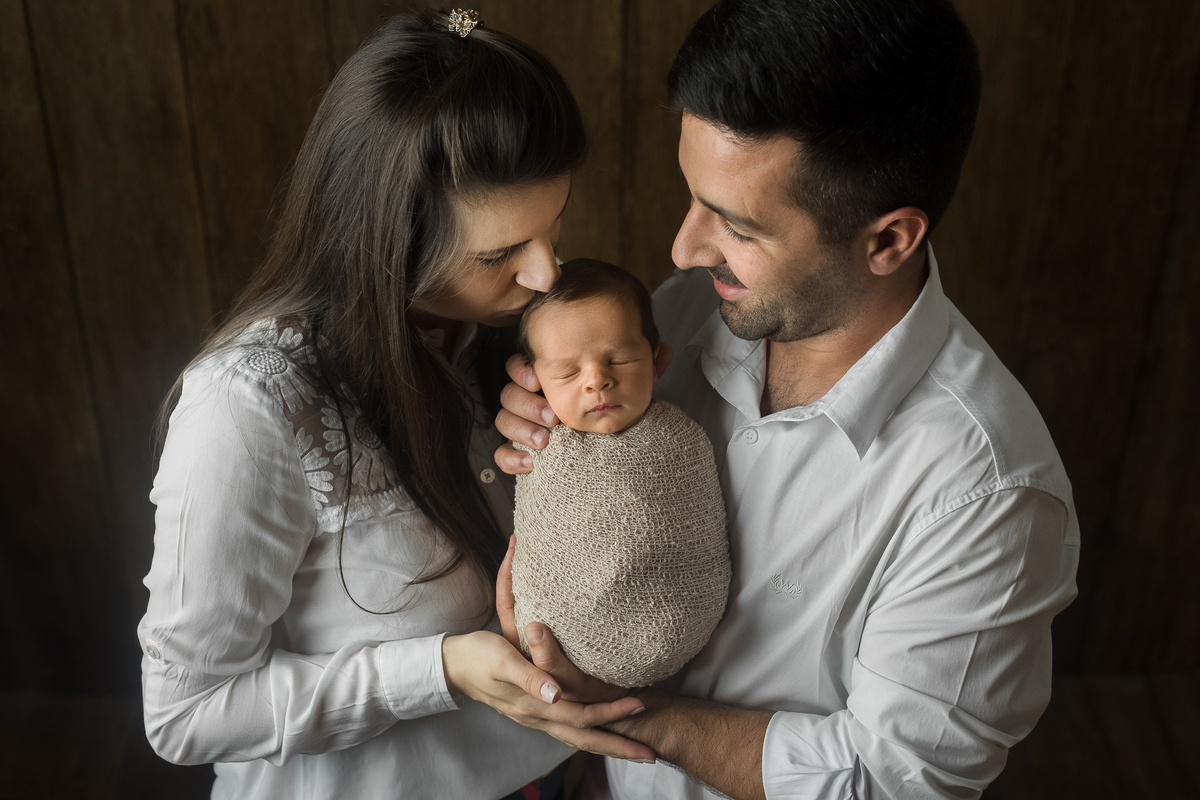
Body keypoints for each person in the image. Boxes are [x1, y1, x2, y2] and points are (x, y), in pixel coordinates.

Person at [493, 1, 1080, 798]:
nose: (684, 247)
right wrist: (536, 434)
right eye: (693, 195)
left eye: (736, 225)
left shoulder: (989, 495)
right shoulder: (683, 312)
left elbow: (891, 780)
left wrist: (622, 715)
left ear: (888, 241)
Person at [136, 10, 650, 800]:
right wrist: (441, 671)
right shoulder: (248, 411)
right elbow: (186, 714)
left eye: (554, 225)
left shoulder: (506, 341)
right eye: (499, 254)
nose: (547, 271)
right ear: (388, 242)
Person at [509, 258, 730, 688]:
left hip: (686, 619)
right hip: (560, 637)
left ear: (657, 358)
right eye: (567, 372)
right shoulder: (539, 440)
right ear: (533, 381)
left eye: (621, 359)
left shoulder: (681, 439)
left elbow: (700, 535)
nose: (596, 380)